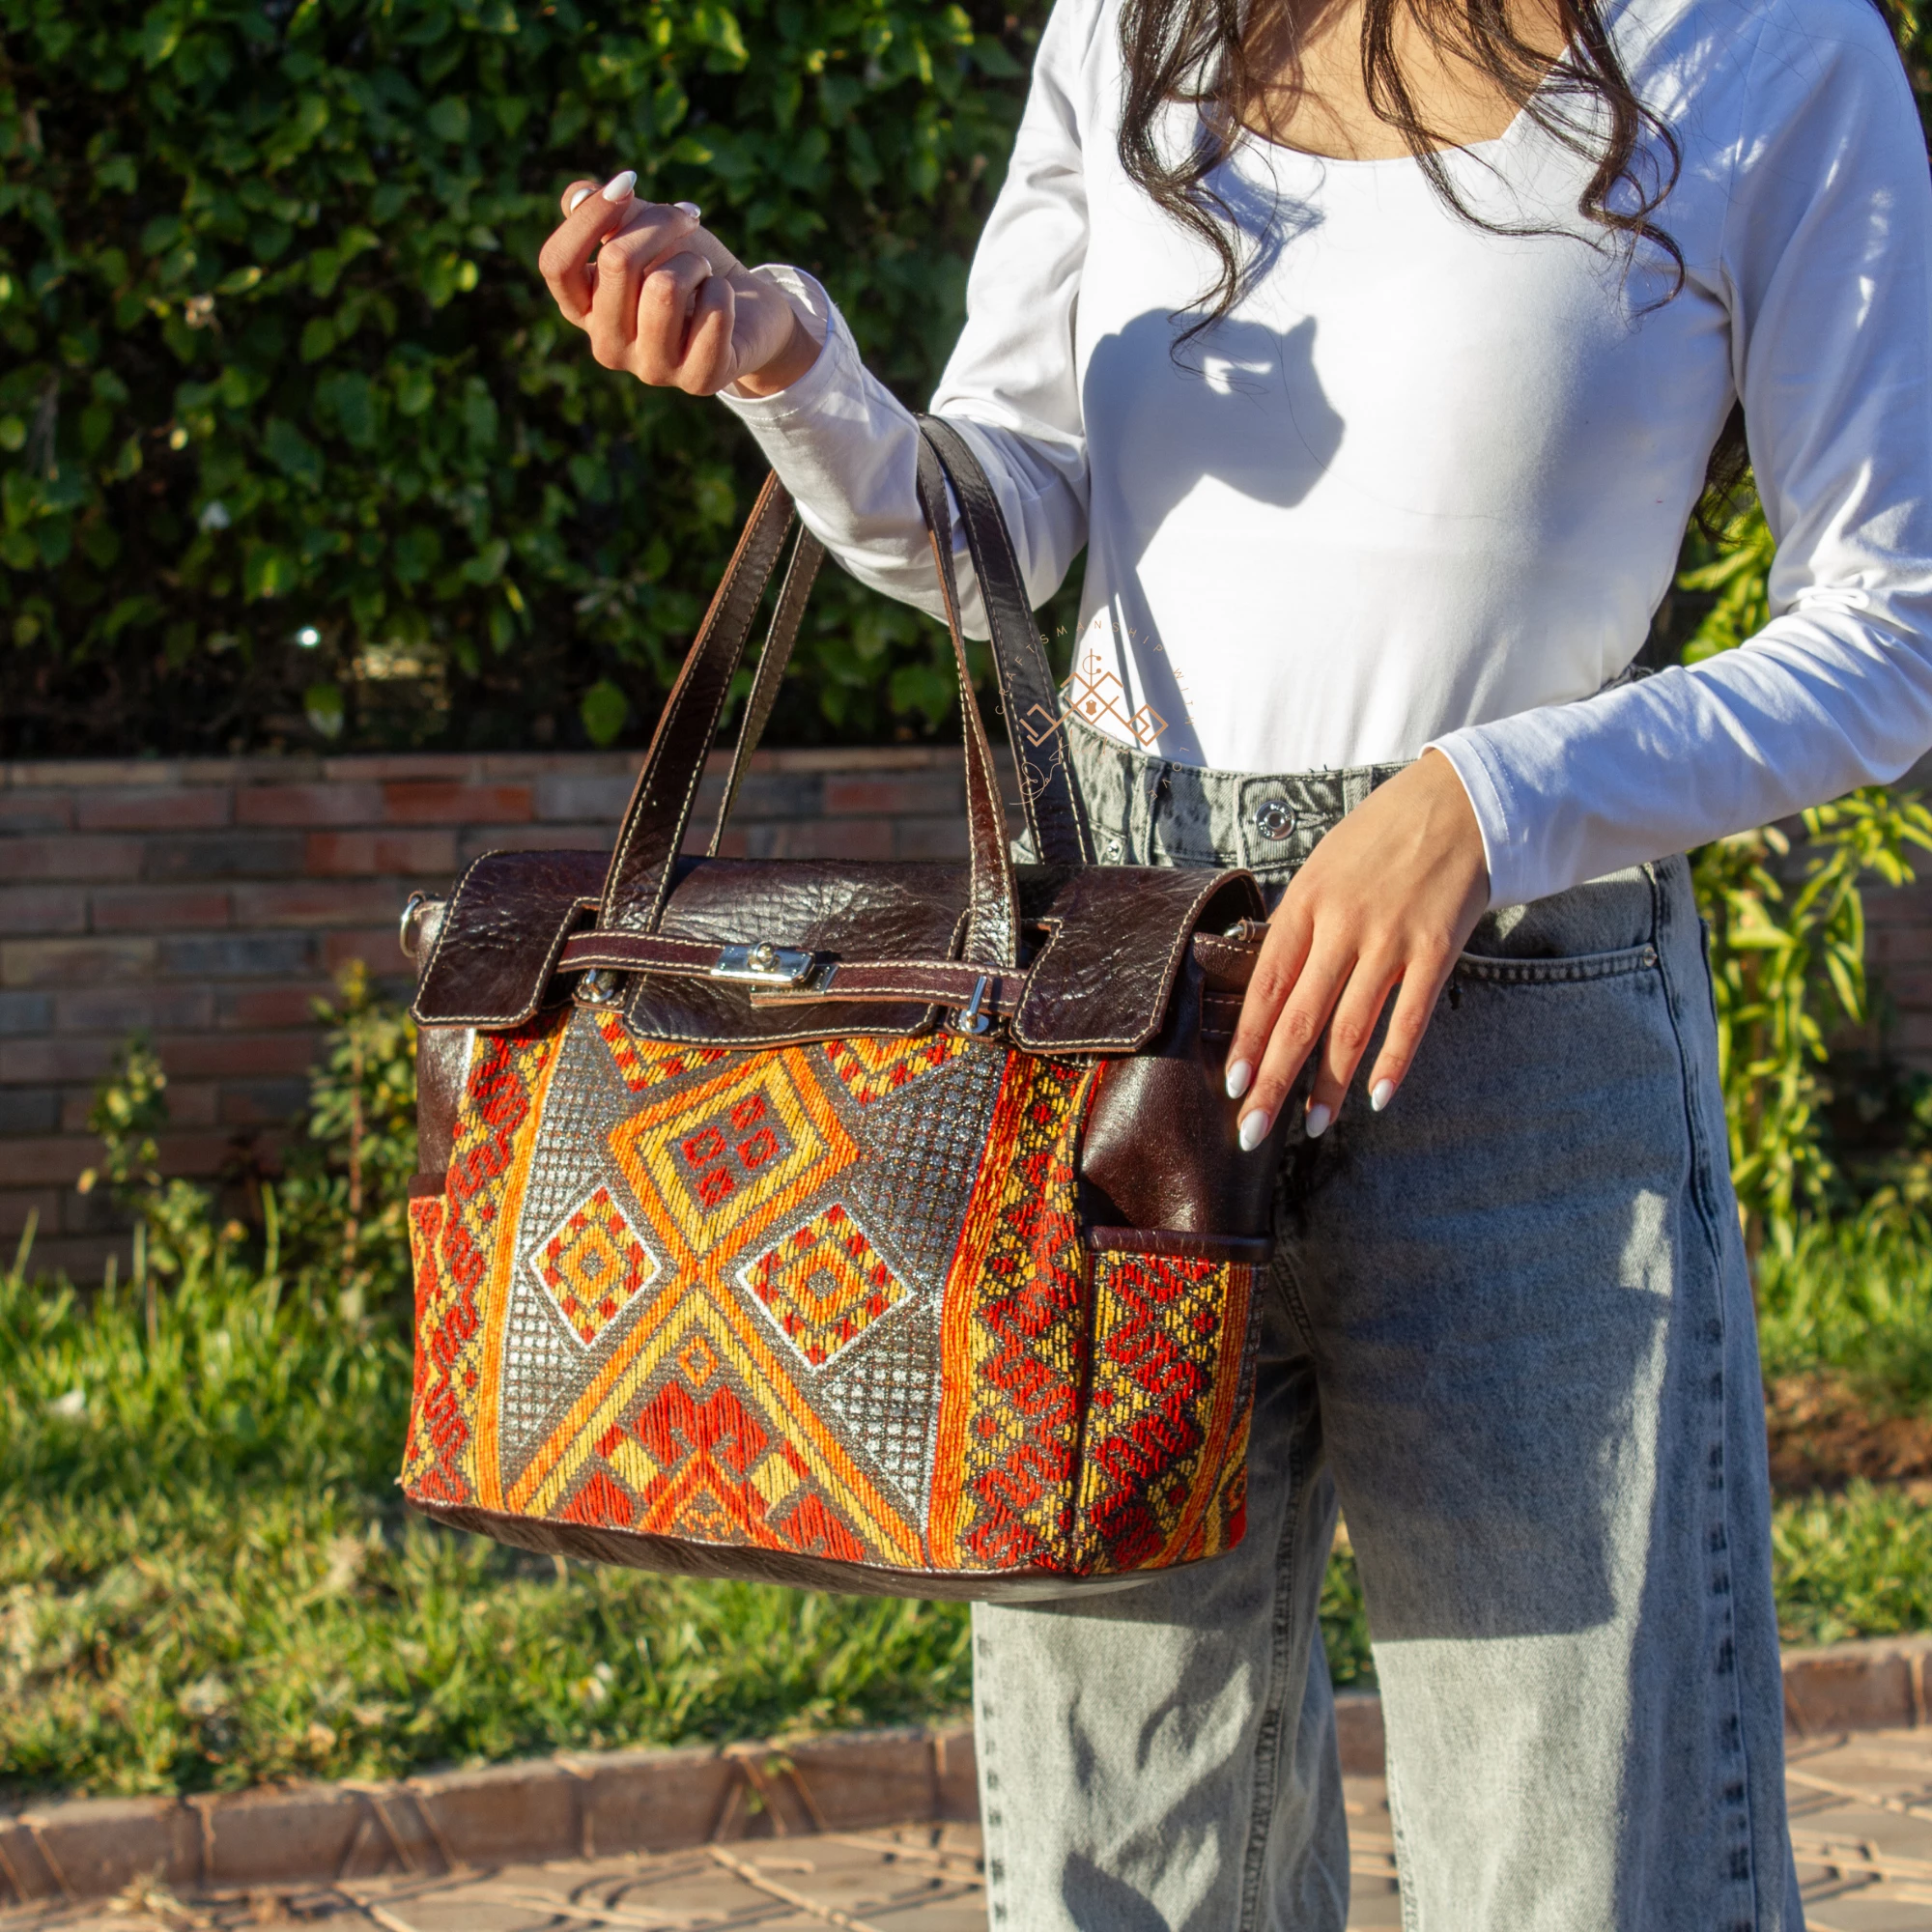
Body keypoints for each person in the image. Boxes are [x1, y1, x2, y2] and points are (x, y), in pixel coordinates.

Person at [535, 0, 1932, 1917]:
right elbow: (999, 522)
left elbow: (1889, 634)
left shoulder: (1766, 44)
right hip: (1118, 1016)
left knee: (1579, 1866)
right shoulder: (1131, 25)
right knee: (1122, 1868)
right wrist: (791, 367)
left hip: (1512, 1029)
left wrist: (1482, 801)